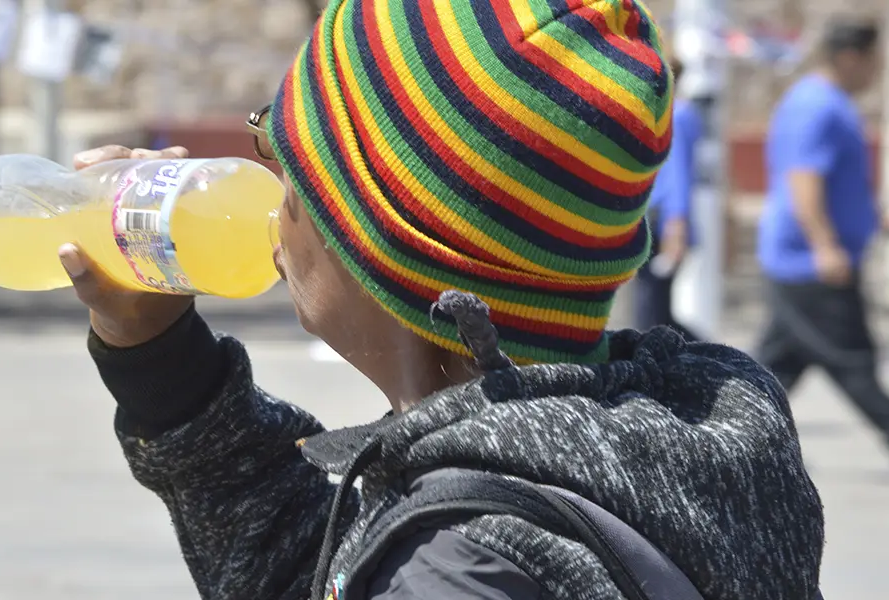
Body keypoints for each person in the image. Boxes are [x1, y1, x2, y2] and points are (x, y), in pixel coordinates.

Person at [61, 1, 824, 598]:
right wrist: (158, 356)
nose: (268, 197)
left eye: (285, 159)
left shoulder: (462, 568)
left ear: (385, 250)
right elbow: (306, 568)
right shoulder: (685, 446)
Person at [755, 18, 889, 449]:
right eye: (874, 60)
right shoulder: (817, 106)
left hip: (804, 260)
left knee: (776, 371)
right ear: (852, 58)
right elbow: (803, 179)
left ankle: (718, 444)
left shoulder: (828, 103)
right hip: (809, 263)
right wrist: (825, 246)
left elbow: (838, 183)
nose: (878, 69)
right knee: (854, 363)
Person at [636, 52, 702, 339]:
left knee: (653, 315)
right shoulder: (662, 113)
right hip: (651, 222)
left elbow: (677, 175)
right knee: (655, 312)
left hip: (662, 225)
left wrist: (676, 224)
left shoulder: (676, 114)